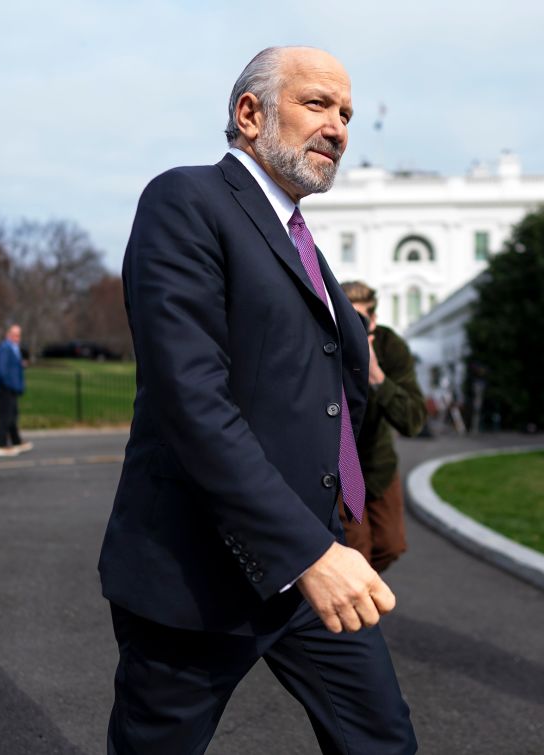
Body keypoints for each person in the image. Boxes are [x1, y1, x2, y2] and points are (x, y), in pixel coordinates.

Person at [98, 46, 416, 754]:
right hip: (199, 573)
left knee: (383, 740)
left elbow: (329, 387)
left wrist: (337, 521)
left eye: (346, 114)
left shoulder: (301, 241)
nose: (337, 126)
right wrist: (309, 550)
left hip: (311, 567)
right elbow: (192, 401)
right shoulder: (185, 202)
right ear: (250, 114)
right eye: (317, 104)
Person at [339, 281, 426, 572]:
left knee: (391, 545)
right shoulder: (325, 343)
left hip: (378, 463)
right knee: (357, 548)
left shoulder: (391, 347)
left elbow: (412, 421)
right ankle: (357, 609)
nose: (353, 329)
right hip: (340, 464)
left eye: (359, 321)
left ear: (373, 321)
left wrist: (375, 373)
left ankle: (354, 593)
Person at [0, 323, 31, 457]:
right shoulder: (5, 347)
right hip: (6, 388)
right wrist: (9, 384)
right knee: (5, 417)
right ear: (8, 334)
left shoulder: (15, 348)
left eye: (18, 335)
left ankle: (16, 441)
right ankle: (0, 444)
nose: (17, 338)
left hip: (13, 388)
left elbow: (13, 366)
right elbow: (2, 370)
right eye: (14, 335)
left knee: (12, 416)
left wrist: (22, 365)